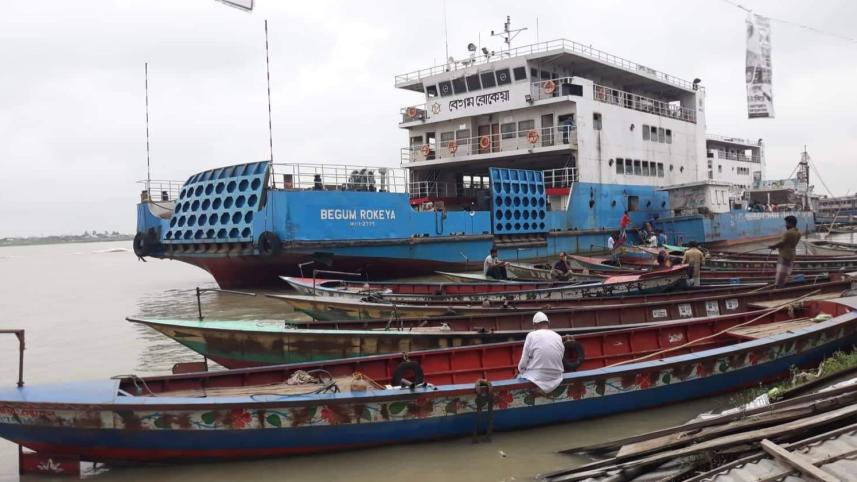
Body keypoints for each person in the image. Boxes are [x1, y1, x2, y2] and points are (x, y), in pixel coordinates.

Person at [517, 312, 565, 393]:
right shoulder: (558, 336)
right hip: (556, 378)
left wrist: (521, 371)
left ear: (534, 325)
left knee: (519, 378)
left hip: (536, 377)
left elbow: (524, 360)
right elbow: (561, 356)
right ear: (548, 323)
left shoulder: (531, 335)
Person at [769, 215, 802, 288]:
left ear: (791, 223)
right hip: (792, 255)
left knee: (781, 273)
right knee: (786, 273)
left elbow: (782, 242)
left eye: (786, 223)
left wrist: (773, 246)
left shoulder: (787, 233)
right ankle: (782, 285)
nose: (785, 225)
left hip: (784, 255)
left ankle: (778, 287)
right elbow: (789, 243)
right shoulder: (798, 233)